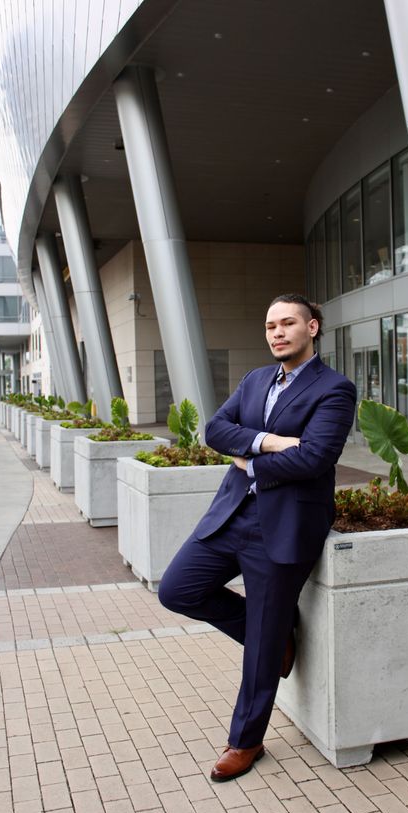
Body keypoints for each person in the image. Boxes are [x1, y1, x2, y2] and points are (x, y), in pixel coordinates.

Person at [158, 293, 356, 782]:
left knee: (261, 648)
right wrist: (266, 442)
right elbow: (215, 429)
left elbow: (314, 459)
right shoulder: (254, 380)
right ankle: (272, 639)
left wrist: (247, 457)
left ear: (312, 328)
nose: (277, 332)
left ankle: (245, 741)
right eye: (270, 325)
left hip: (285, 524)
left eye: (288, 323)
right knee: (177, 589)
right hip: (231, 516)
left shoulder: (335, 389)